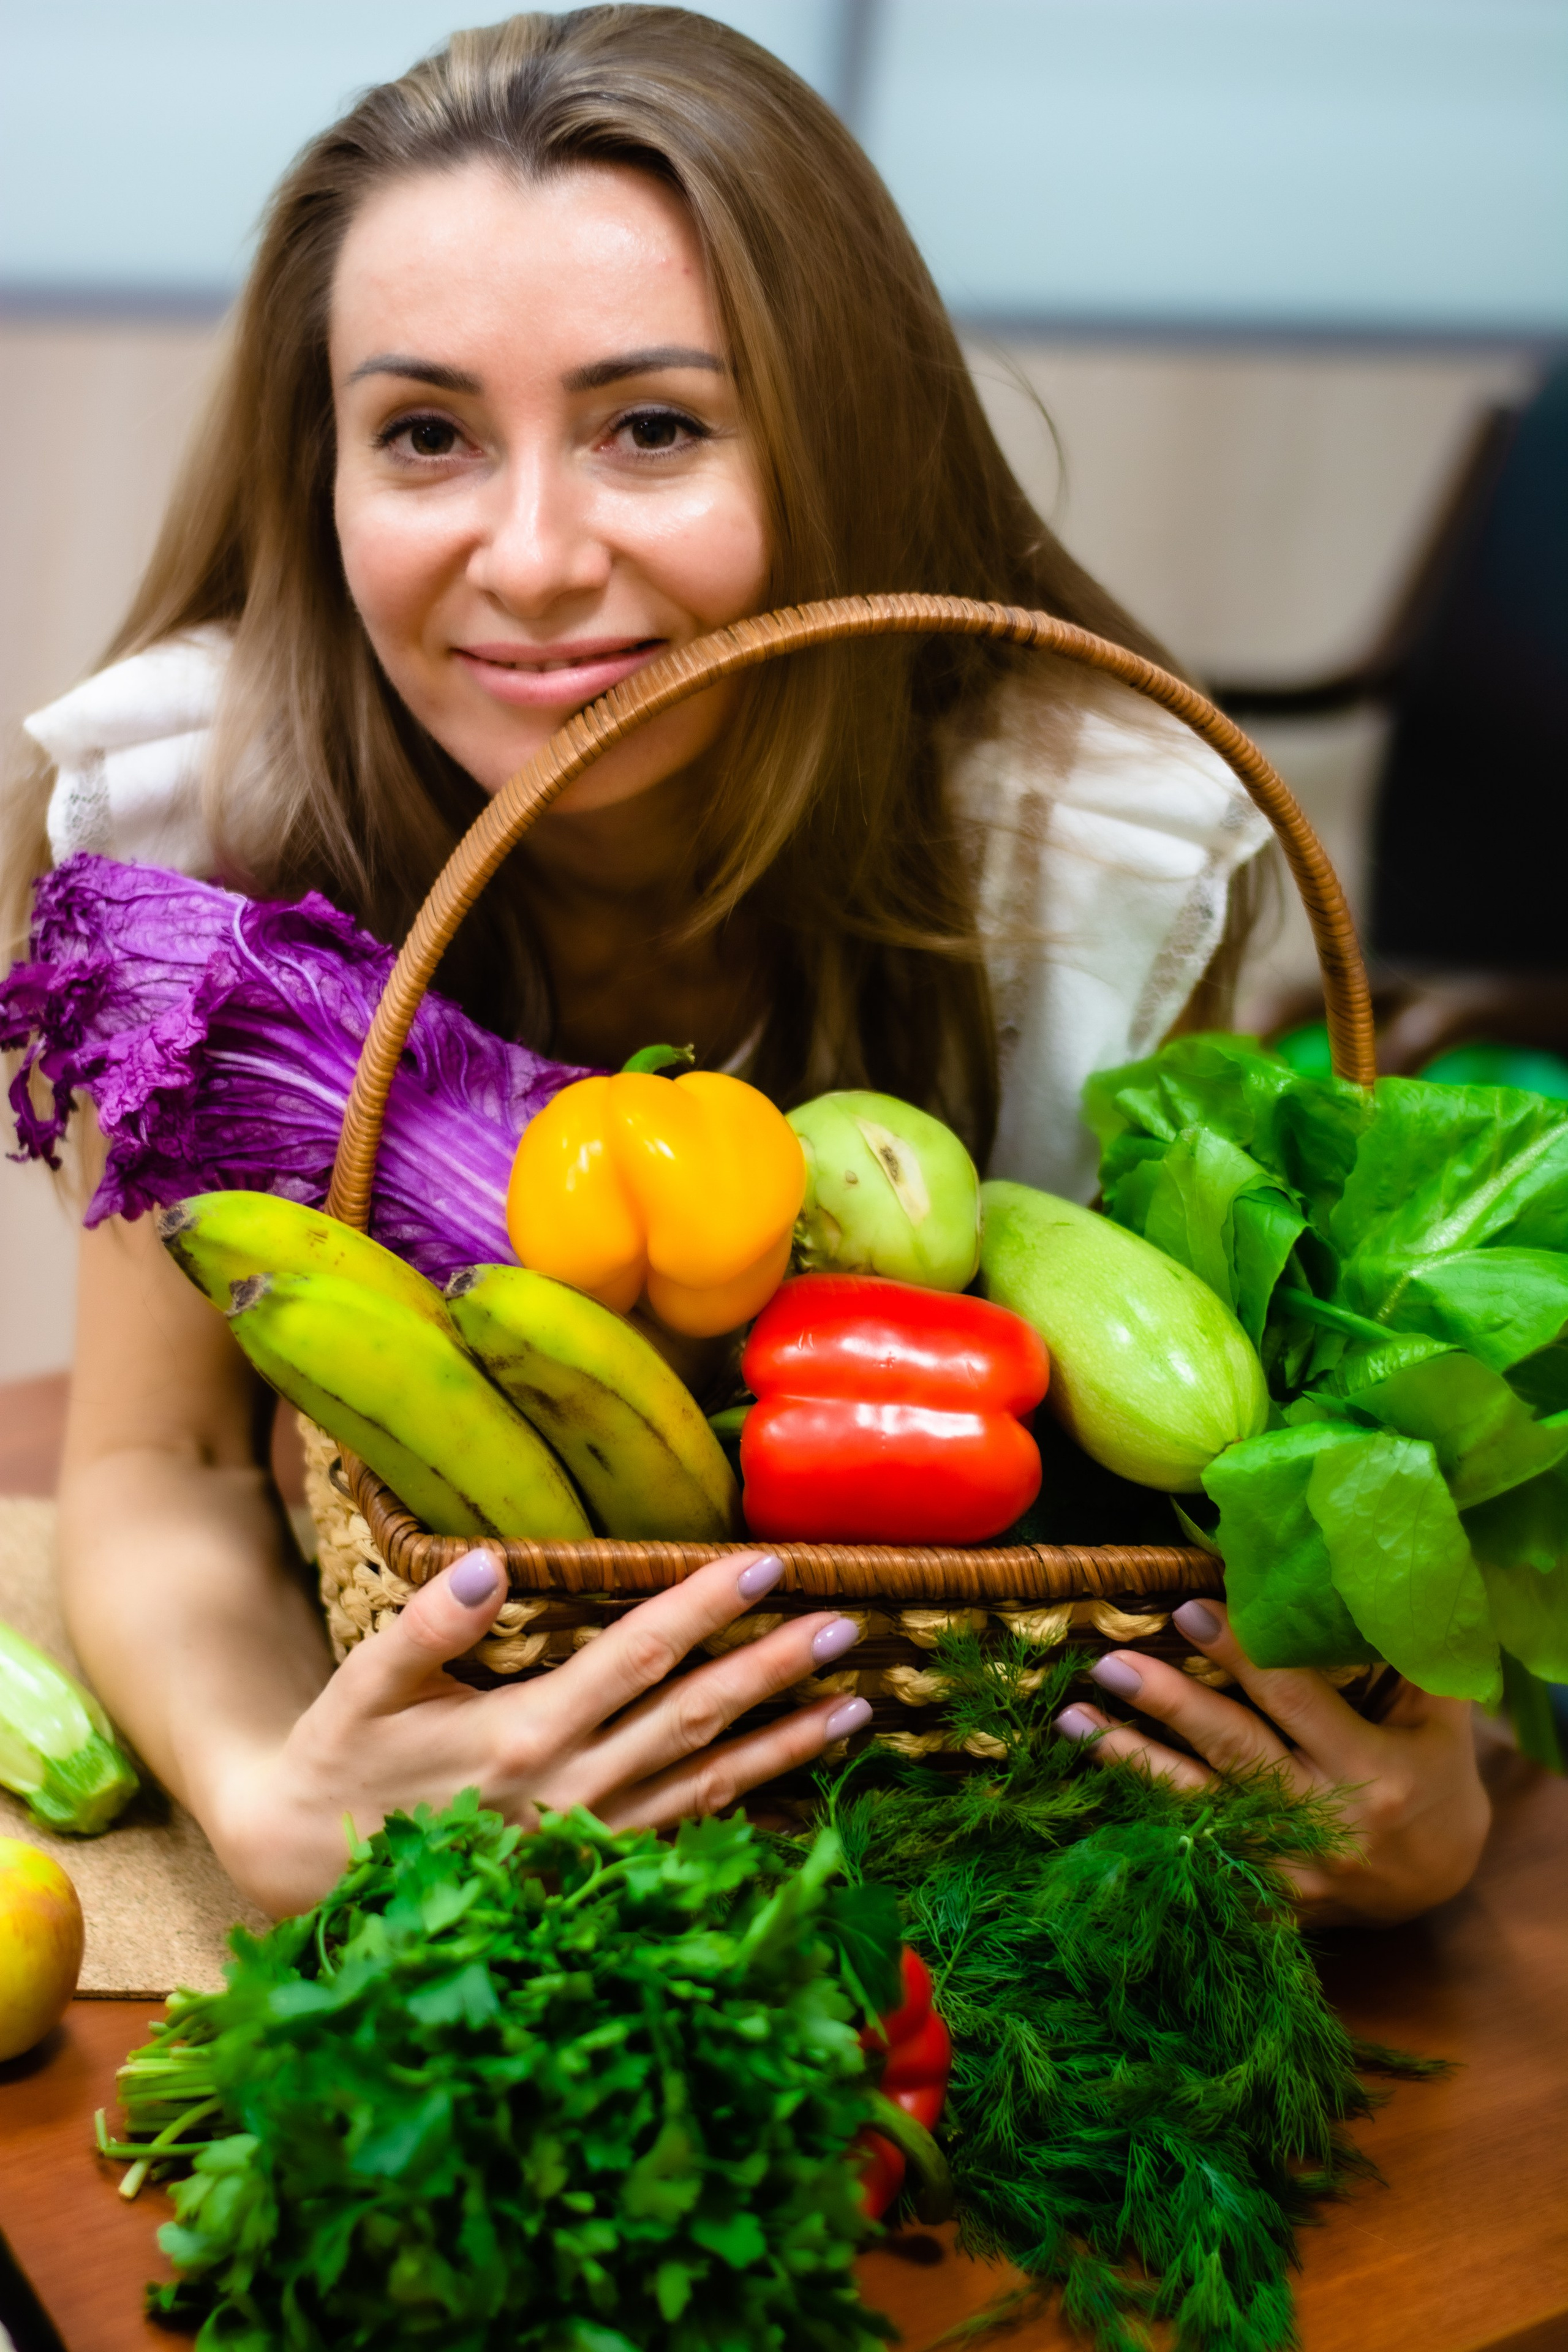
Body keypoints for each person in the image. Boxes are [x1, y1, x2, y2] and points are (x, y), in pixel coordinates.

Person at [2, 7, 1488, 1922]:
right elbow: (166, 1461)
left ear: (844, 445)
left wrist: (1432, 1802)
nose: (532, 560)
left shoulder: (1081, 854)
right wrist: (266, 1795)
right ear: (325, 472)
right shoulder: (220, 822)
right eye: (427, 434)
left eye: (655, 428)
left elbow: (1227, 1496)